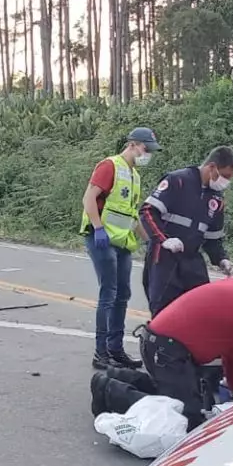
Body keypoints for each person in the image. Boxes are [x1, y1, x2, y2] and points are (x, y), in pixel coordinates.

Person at [135, 267, 233, 431]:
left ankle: (121, 382)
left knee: (184, 406)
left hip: (162, 347)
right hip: (167, 352)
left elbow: (231, 350)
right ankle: (109, 390)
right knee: (187, 420)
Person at [82, 127, 160, 370]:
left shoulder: (134, 175)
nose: (147, 154)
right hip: (101, 238)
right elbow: (89, 199)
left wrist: (152, 240)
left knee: (123, 295)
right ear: (133, 144)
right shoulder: (109, 166)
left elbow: (132, 215)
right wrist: (98, 228)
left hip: (122, 242)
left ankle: (116, 350)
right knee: (109, 293)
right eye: (146, 149)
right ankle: (101, 352)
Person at [139, 146, 233, 317]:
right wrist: (163, 240)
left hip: (192, 260)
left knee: (200, 310)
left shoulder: (216, 198)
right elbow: (148, 211)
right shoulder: (177, 181)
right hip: (165, 258)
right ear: (211, 167)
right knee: (164, 314)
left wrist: (222, 259)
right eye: (225, 176)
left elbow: (213, 238)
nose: (226, 182)